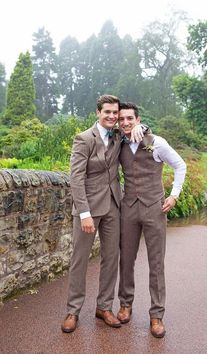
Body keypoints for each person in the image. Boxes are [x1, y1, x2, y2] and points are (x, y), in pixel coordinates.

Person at [61, 95, 144, 333]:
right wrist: (84, 213)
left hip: (113, 206)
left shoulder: (119, 135)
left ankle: (104, 307)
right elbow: (76, 178)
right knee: (80, 260)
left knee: (111, 258)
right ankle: (73, 310)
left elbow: (140, 132)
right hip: (87, 209)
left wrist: (140, 126)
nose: (111, 116)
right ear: (98, 112)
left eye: (114, 113)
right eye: (107, 112)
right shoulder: (84, 138)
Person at [116, 102, 187, 338]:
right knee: (126, 259)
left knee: (156, 263)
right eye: (121, 119)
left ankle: (156, 315)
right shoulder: (119, 141)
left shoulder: (157, 142)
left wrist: (174, 195)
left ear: (138, 119)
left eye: (130, 119)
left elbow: (180, 165)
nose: (125, 123)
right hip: (128, 209)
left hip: (155, 209)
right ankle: (125, 304)